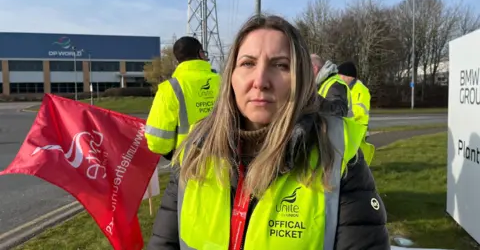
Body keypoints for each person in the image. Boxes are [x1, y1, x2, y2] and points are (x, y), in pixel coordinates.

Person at [147, 15, 389, 250]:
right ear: (231, 76)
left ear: (302, 79)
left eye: (280, 65)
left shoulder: (337, 156)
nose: (260, 80)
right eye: (248, 63)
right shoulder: (196, 150)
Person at [144, 36, 220, 159]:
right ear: (200, 53)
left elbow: (157, 140)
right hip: (225, 162)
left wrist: (170, 152)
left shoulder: (169, 88)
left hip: (188, 166)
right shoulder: (223, 82)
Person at [337, 61, 375, 165]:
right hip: (350, 128)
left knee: (356, 157)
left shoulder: (360, 90)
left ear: (348, 77)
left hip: (358, 129)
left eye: (340, 76)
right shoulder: (347, 89)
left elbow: (359, 112)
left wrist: (340, 114)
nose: (338, 79)